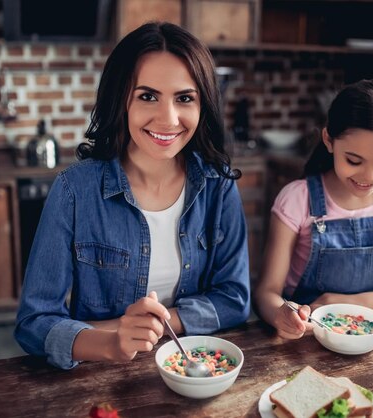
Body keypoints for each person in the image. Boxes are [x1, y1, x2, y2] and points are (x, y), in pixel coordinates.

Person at [15, 22, 251, 369]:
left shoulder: (218, 185)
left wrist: (157, 324)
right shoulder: (74, 191)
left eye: (184, 98)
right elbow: (33, 325)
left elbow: (235, 298)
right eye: (148, 96)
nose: (168, 119)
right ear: (120, 100)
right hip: (100, 375)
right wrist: (111, 342)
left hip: (193, 369)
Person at [254, 79, 373, 339]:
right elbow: (265, 293)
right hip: (309, 341)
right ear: (329, 140)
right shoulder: (298, 200)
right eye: (354, 160)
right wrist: (281, 314)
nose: (368, 176)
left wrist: (352, 302)